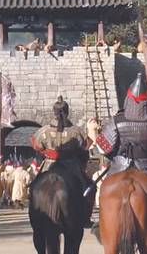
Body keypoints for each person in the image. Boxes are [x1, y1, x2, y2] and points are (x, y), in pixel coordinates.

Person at [95, 72, 147, 245]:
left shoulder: (116, 121)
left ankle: (100, 221)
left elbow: (102, 148)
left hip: (118, 166)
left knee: (102, 191)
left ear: (129, 99)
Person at [31, 95, 94, 227]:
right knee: (90, 187)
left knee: (33, 187)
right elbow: (85, 147)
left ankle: (33, 213)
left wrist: (46, 152)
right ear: (67, 111)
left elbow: (36, 145)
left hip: (49, 165)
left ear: (53, 112)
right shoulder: (77, 131)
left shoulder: (44, 131)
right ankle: (85, 217)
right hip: (71, 166)